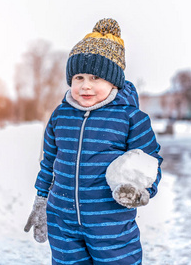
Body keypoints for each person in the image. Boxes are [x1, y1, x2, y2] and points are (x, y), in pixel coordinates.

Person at [24, 18, 163, 265]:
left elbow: (149, 165)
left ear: (113, 81)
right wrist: (41, 200)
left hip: (111, 225)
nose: (85, 86)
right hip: (63, 223)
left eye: (95, 78)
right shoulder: (60, 115)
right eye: (78, 77)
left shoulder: (131, 118)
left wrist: (141, 191)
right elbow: (49, 162)